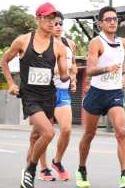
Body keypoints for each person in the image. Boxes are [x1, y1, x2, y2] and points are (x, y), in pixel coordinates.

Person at [1, 2, 71, 188]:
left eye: (53, 18)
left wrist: (67, 73)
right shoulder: (23, 41)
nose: (51, 22)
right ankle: (31, 170)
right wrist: (11, 83)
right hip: (30, 96)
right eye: (47, 18)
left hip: (49, 96)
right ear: (38, 18)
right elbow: (4, 61)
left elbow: (64, 75)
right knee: (48, 133)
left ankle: (27, 173)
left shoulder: (59, 47)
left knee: (36, 136)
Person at [75, 6, 125, 188]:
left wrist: (124, 74)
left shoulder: (123, 42)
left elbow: (122, 57)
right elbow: (90, 70)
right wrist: (106, 69)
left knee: (121, 131)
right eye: (108, 19)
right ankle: (81, 170)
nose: (112, 22)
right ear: (100, 23)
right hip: (96, 93)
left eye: (115, 19)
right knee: (89, 134)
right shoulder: (96, 43)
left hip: (115, 93)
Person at [38, 11, 77, 181]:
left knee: (66, 129)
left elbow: (73, 64)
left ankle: (57, 161)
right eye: (55, 23)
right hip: (45, 92)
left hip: (62, 91)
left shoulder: (70, 43)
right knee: (45, 133)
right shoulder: (42, 45)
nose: (58, 26)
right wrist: (60, 70)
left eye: (61, 23)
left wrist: (73, 79)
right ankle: (43, 168)